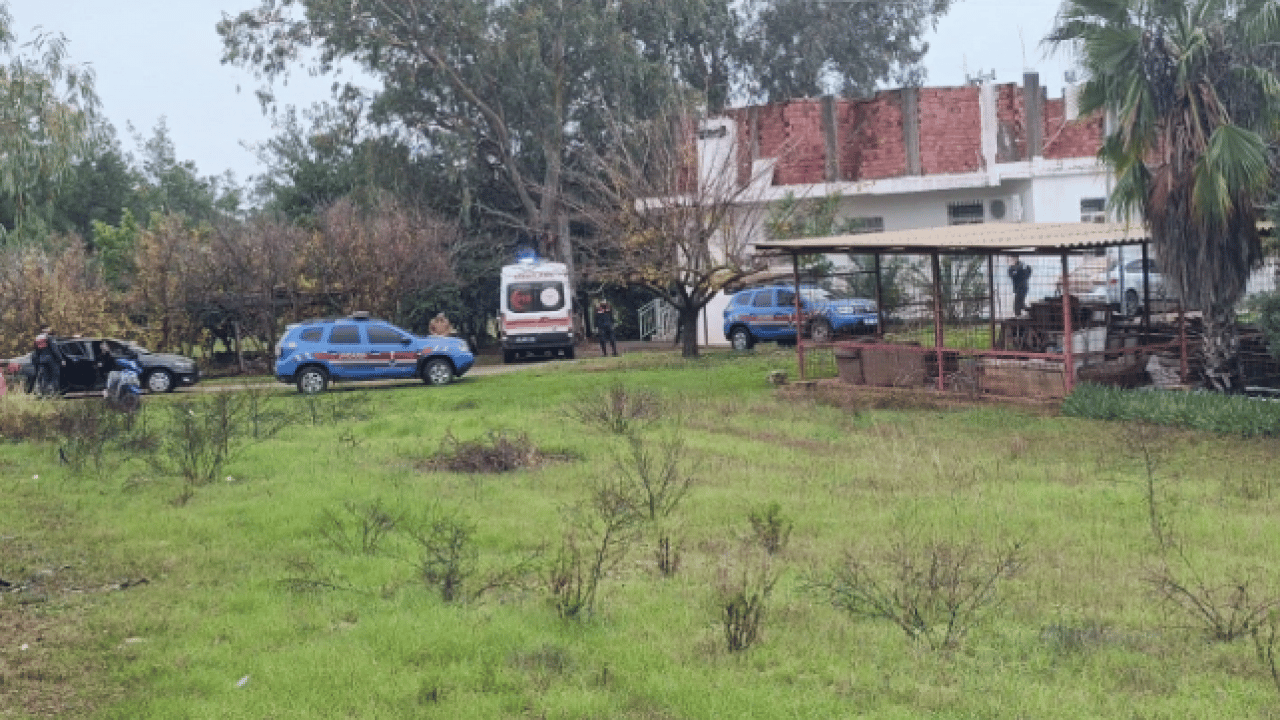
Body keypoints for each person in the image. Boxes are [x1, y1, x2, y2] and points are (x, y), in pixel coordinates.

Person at [32, 326, 64, 397]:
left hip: (42, 360)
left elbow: (36, 352)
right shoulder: (49, 338)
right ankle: (53, 393)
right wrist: (61, 359)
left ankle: (42, 393)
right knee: (55, 376)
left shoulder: (38, 338)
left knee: (44, 377)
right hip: (51, 360)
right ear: (46, 330)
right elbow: (55, 349)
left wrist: (37, 361)